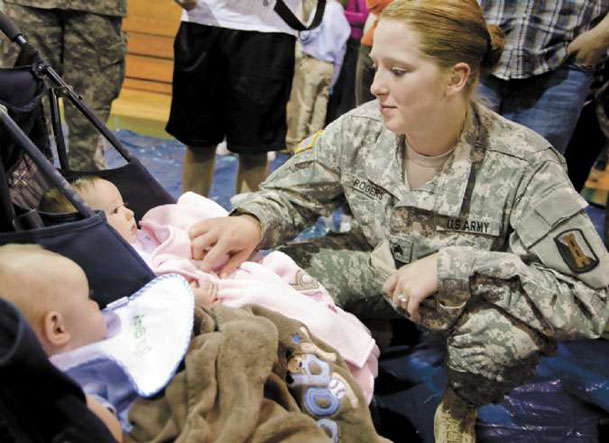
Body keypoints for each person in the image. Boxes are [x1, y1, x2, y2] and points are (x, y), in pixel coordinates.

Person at [187, 0, 609, 441]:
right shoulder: (361, 128)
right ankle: (373, 327)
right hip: (378, 267)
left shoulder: (525, 164)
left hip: (473, 296)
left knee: (495, 343)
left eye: (399, 71)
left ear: (456, 77)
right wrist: (252, 220)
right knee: (275, 280)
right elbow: (293, 192)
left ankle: (461, 404)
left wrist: (455, 268)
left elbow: (589, 298)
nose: (375, 87)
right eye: (376, 67)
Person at [0, 244, 386, 442]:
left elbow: (139, 311)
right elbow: (105, 432)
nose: (100, 307)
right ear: (57, 329)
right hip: (193, 397)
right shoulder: (74, 384)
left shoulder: (87, 336)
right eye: (89, 300)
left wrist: (195, 307)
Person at [39, 177, 380, 399]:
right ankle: (335, 365)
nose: (130, 213)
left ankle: (341, 339)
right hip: (209, 288)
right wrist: (189, 295)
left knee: (272, 272)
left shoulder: (146, 234)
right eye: (115, 211)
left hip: (214, 268)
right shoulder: (115, 265)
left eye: (124, 204)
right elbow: (149, 296)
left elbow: (177, 234)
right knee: (267, 301)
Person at [168, 0, 301, 197]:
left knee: (254, 148)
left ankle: (246, 222)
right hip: (204, 20)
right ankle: (190, 222)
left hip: (268, 27)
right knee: (198, 142)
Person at [0, 244, 123, 441]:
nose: (96, 304)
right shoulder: (71, 387)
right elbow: (111, 434)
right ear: (58, 329)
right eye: (88, 298)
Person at [2, 0, 127, 170]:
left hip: (97, 9)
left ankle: (85, 191)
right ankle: (16, 193)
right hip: (28, 7)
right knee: (19, 118)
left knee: (88, 123)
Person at [477, 1, 609, 155]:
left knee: (534, 172)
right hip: (474, 47)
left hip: (566, 56)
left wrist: (601, 36)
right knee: (453, 166)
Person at [285, 0, 351, 151]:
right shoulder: (343, 19)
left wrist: (300, 35)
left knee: (302, 104)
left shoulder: (323, 9)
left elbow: (310, 33)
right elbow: (342, 52)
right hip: (329, 67)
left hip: (312, 62)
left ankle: (295, 144)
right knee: (320, 107)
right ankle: (312, 145)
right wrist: (334, 79)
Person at [324, 0, 368, 124]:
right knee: (335, 85)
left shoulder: (339, 8)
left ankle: (338, 121)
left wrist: (340, 13)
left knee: (346, 86)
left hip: (353, 44)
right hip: (340, 43)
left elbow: (363, 17)